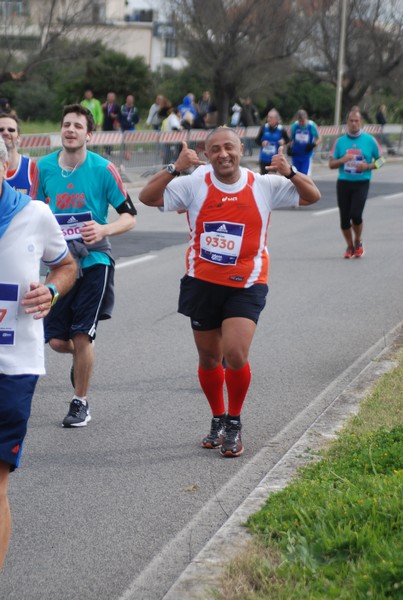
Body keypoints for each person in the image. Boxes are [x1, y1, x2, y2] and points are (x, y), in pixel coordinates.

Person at [139, 127, 320, 457]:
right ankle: (218, 418)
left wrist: (291, 172)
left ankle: (234, 422)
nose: (223, 154)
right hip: (202, 283)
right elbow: (147, 198)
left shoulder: (262, 185)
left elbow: (311, 196)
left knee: (235, 353)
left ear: (241, 150)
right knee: (209, 358)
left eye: (230, 148)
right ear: (206, 155)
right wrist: (174, 167)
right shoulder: (194, 183)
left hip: (247, 283)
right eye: (216, 149)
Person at [31, 104, 137, 427]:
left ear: (89, 134)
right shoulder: (44, 168)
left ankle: (80, 402)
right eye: (66, 125)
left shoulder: (104, 169)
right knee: (58, 341)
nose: (71, 130)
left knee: (80, 336)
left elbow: (130, 217)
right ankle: (82, 358)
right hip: (61, 266)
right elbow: (34, 212)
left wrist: (103, 229)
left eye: (78, 126)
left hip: (95, 262)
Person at [0, 136, 76, 569]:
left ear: (6, 166)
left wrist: (51, 290)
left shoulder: (36, 214)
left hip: (12, 366)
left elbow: (66, 265)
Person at [329, 109, 384, 259]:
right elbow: (331, 164)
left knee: (356, 215)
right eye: (351, 121)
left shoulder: (370, 140)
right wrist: (343, 160)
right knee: (344, 220)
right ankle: (349, 246)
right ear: (347, 123)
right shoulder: (340, 142)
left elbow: (381, 160)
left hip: (361, 182)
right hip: (344, 182)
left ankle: (358, 241)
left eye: (356, 121)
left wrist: (368, 167)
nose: (353, 124)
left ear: (361, 122)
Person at [0, 111, 37, 195]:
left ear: (18, 137)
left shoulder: (32, 168)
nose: (5, 132)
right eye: (1, 129)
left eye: (11, 130)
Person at [255, 109, 290, 175]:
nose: (268, 119)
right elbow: (257, 140)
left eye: (271, 117)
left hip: (274, 160)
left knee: (271, 177)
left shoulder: (281, 129)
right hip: (264, 158)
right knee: (264, 177)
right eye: (268, 117)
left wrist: (283, 141)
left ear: (276, 119)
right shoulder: (264, 128)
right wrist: (262, 143)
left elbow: (288, 139)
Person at [289, 109, 321, 175]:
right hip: (296, 155)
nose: (302, 123)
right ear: (297, 119)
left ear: (306, 118)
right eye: (300, 121)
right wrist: (289, 148)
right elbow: (290, 139)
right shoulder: (294, 126)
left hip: (306, 155)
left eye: (303, 121)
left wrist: (313, 144)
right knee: (295, 176)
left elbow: (319, 138)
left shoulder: (312, 125)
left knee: (304, 176)